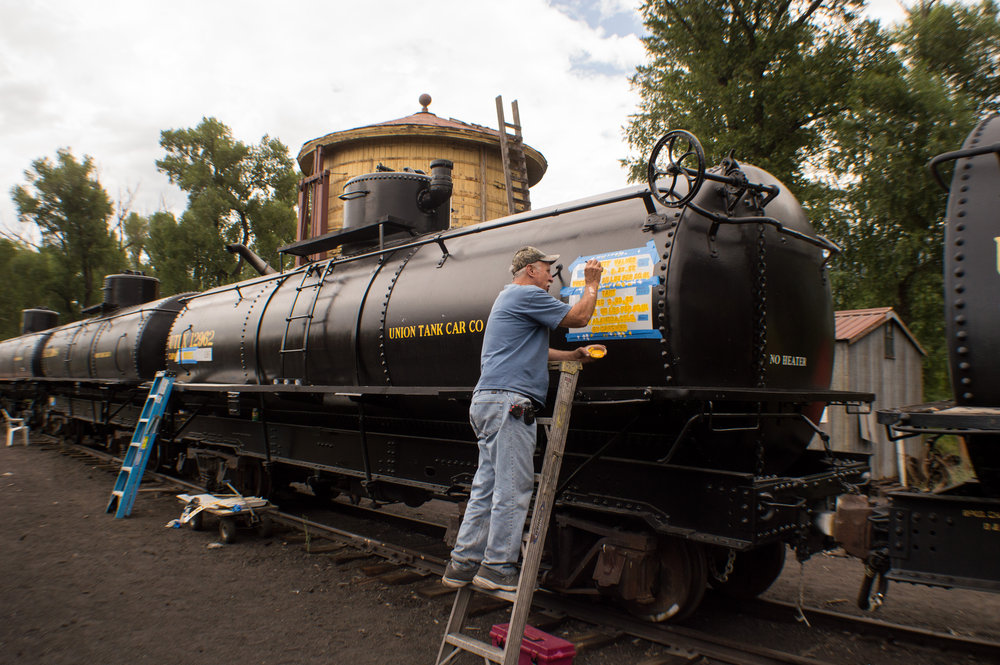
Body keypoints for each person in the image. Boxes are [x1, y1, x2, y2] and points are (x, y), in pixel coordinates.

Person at [442, 246, 605, 592]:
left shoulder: (509, 300)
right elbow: (578, 318)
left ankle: (463, 562)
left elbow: (536, 350)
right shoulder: (527, 294)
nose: (551, 278)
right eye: (548, 270)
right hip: (509, 404)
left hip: (489, 401)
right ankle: (498, 567)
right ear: (531, 270)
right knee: (512, 486)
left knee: (486, 487)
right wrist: (592, 283)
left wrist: (572, 355)